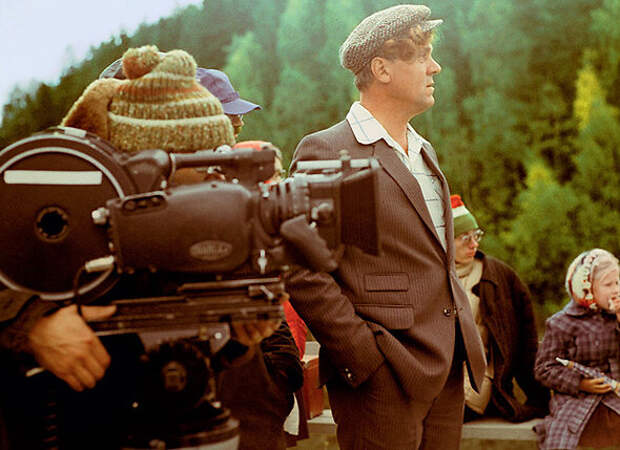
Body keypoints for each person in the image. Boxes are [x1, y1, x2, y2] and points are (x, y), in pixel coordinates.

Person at [0, 45, 297, 449]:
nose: (214, 174)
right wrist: (32, 325)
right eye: (197, 158)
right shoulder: (43, 205)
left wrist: (232, 339)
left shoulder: (190, 226)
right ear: (143, 164)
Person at [285, 5, 486, 449]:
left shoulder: (424, 151)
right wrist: (362, 356)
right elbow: (301, 269)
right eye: (422, 56)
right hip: (383, 376)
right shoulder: (326, 150)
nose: (435, 67)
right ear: (381, 69)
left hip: (447, 368)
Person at [450, 195, 549, 422]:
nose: (474, 244)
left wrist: (538, 397)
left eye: (476, 236)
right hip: (438, 381)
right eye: (465, 238)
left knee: (439, 418)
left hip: (479, 384)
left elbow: (527, 341)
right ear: (446, 240)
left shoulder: (498, 277)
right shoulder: (431, 276)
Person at [534, 249, 620, 449]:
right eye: (608, 285)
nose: (616, 290)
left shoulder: (614, 318)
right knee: (567, 435)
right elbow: (544, 369)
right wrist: (580, 383)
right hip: (576, 400)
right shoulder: (562, 323)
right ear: (586, 288)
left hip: (614, 396)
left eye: (617, 283)